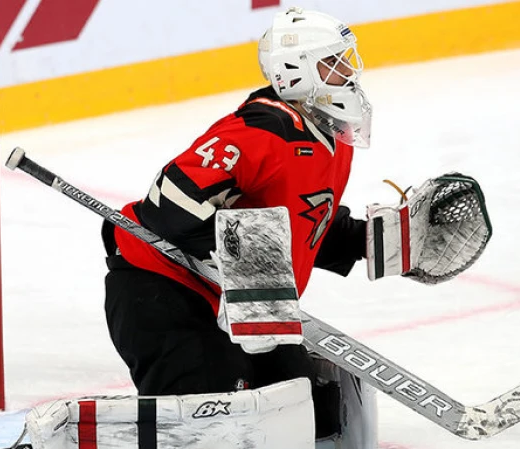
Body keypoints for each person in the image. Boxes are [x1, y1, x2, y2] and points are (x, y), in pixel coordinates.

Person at [101, 6, 372, 441]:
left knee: (303, 413)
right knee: (219, 429)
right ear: (295, 71)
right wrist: (250, 264)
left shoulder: (331, 138)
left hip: (244, 309)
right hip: (163, 294)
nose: (347, 73)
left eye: (345, 60)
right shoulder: (262, 130)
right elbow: (170, 202)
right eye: (332, 63)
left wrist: (372, 240)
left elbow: (303, 225)